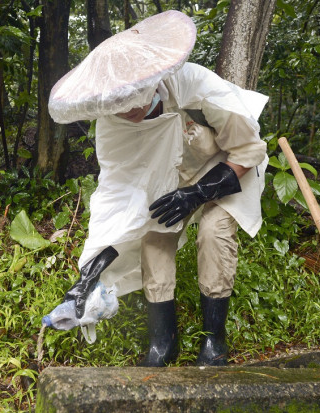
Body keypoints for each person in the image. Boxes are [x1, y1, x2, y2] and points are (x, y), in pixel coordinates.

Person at [46, 10, 269, 367]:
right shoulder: (112, 127)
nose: (128, 110)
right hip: (172, 180)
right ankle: (163, 343)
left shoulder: (194, 86)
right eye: (118, 104)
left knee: (212, 233)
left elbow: (247, 150)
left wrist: (198, 194)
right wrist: (89, 272)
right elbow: (119, 193)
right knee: (153, 239)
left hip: (227, 168)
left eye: (133, 97)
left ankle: (215, 340)